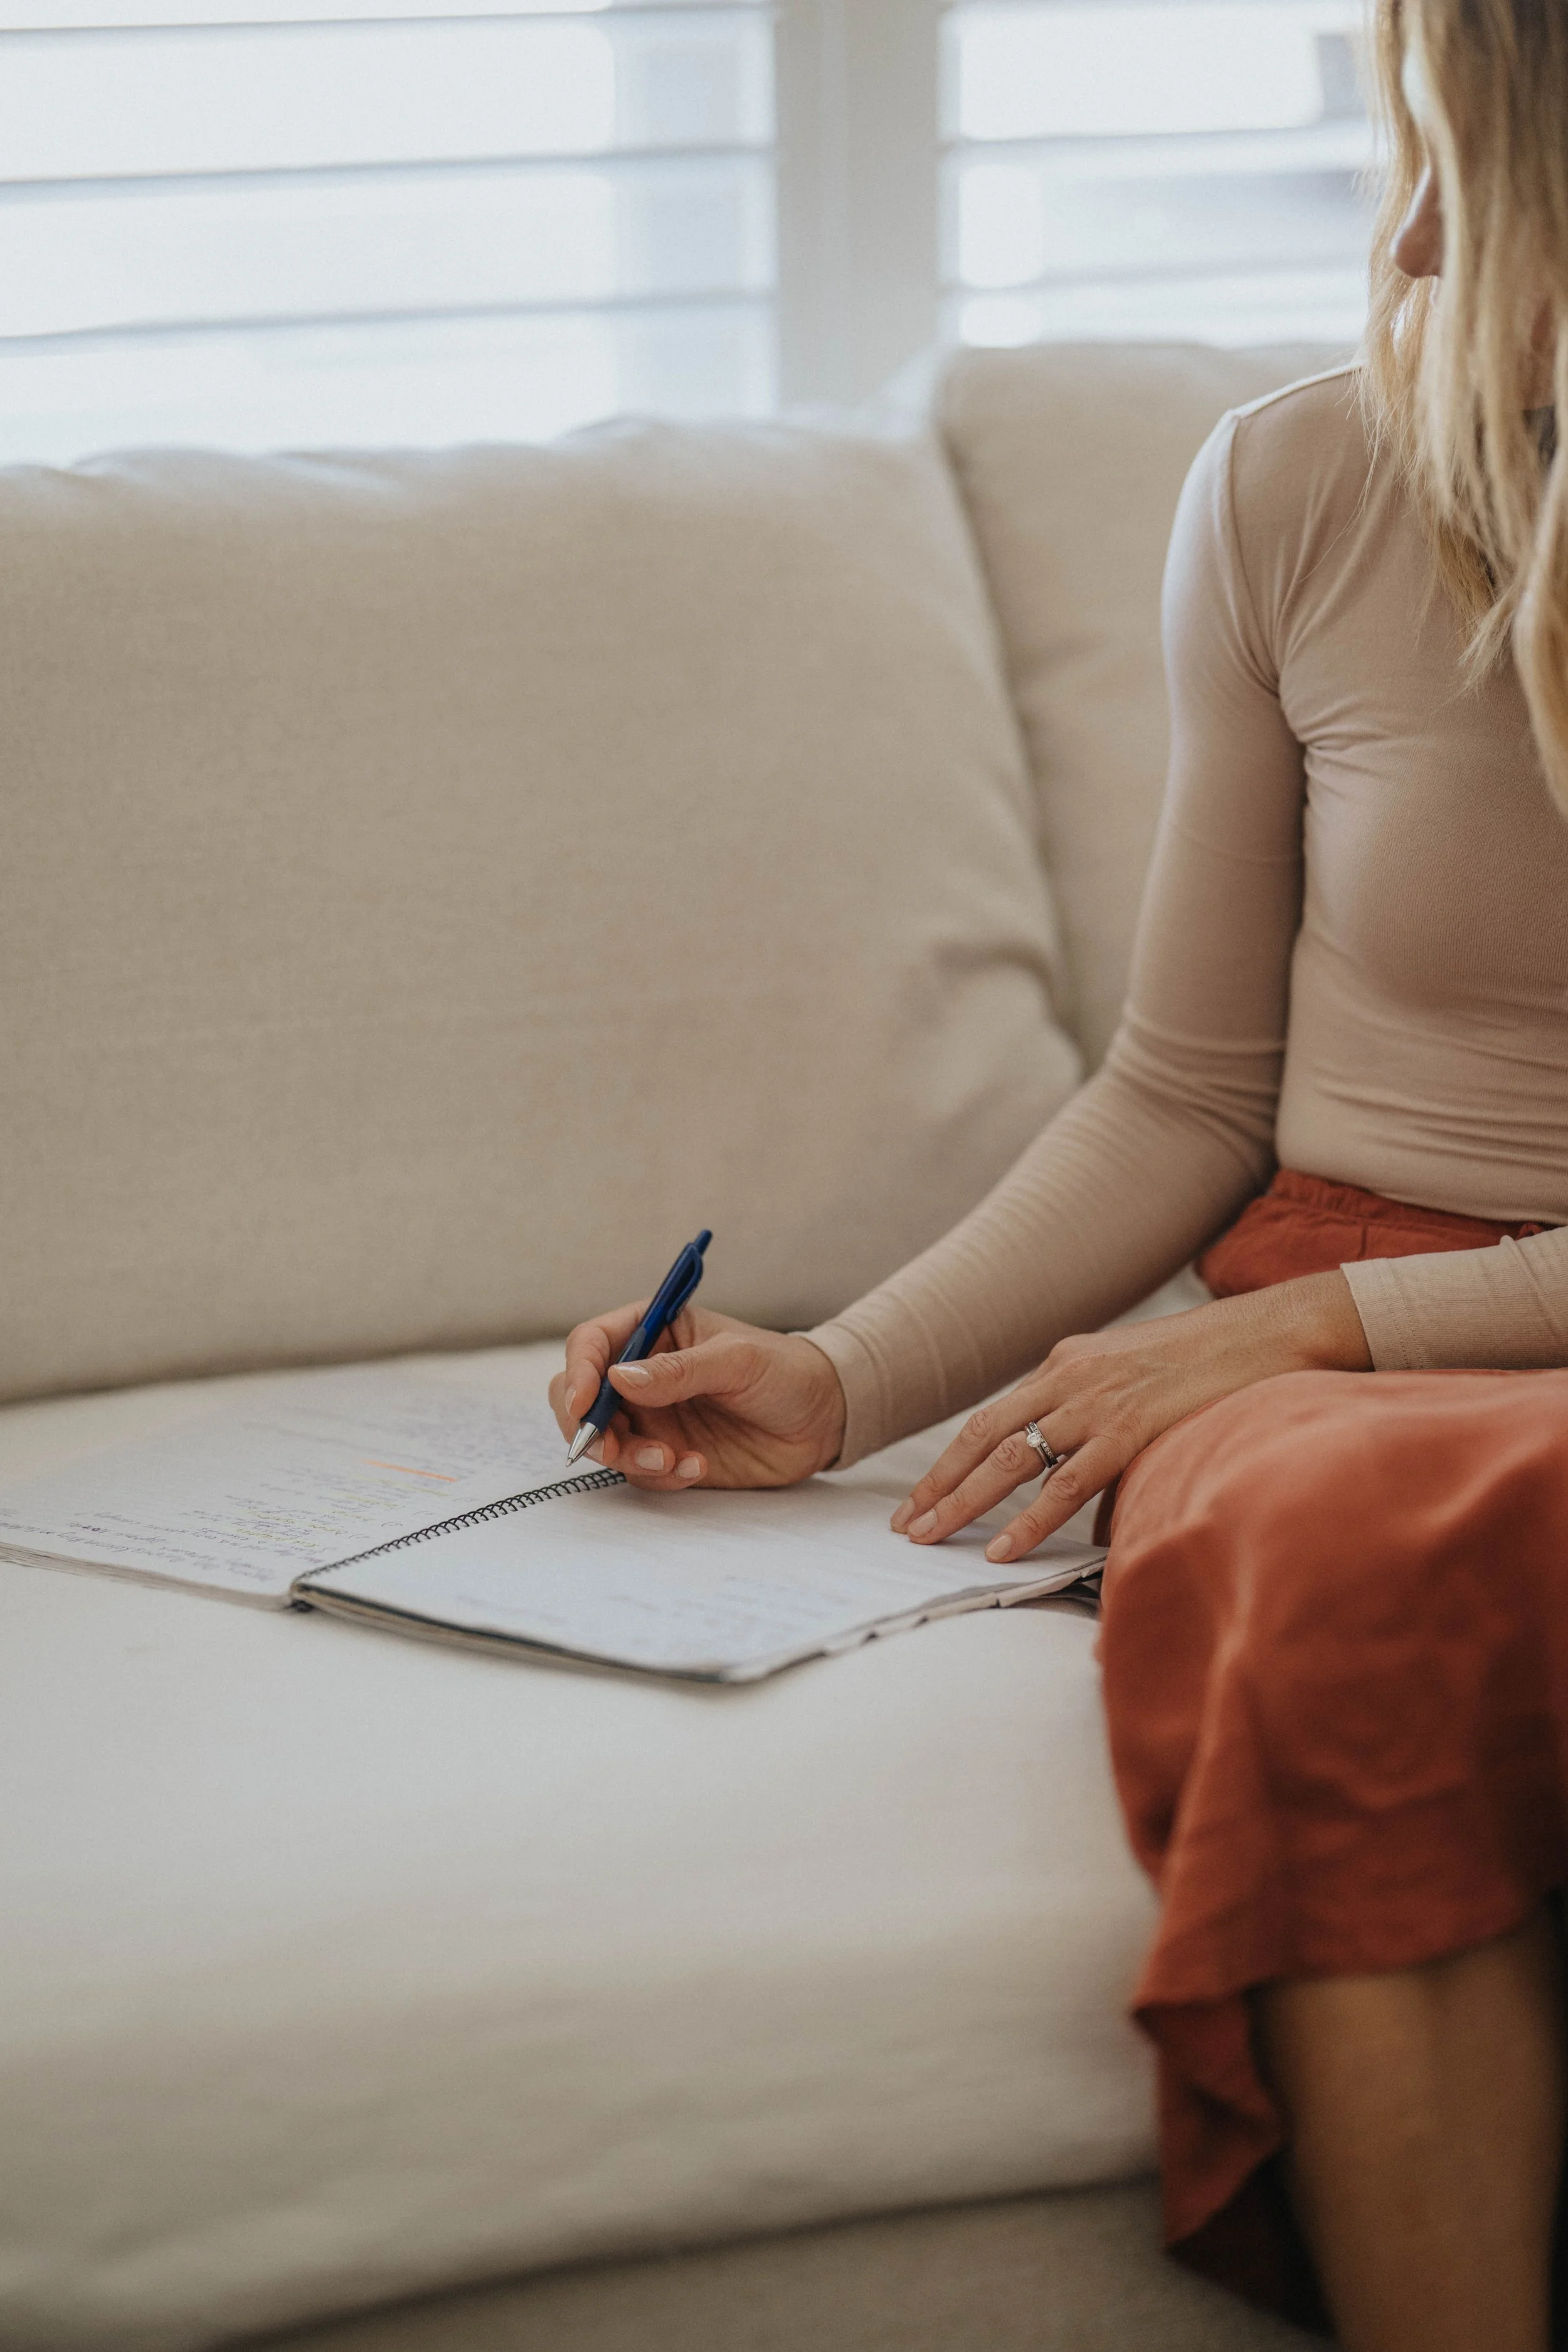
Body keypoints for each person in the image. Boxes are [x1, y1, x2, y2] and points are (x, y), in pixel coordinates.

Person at [551, 0, 1568, 2339]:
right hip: (1320, 1356)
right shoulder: (1303, 480)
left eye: (1465, 169)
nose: (1402, 232)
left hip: (1348, 1338)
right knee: (1328, 1528)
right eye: (1395, 154)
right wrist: (833, 1371)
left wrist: (1322, 1329)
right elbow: (1185, 1096)